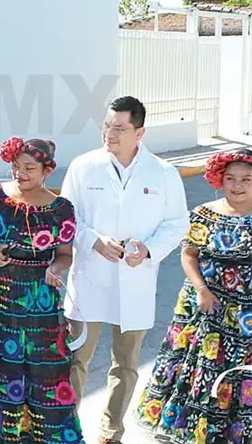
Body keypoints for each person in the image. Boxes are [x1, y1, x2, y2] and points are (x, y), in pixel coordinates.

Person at [62, 95, 189, 444]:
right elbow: (68, 217)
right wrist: (93, 240)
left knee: (126, 364)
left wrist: (149, 249)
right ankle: (65, 428)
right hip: (90, 277)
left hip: (135, 278)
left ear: (140, 132)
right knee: (76, 359)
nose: (110, 134)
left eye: (119, 128)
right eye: (107, 126)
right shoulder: (83, 167)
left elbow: (177, 223)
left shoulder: (162, 173)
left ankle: (110, 432)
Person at [0, 136, 85, 444]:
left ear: (48, 170)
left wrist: (55, 268)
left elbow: (65, 255)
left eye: (29, 168)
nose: (20, 174)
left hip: (37, 299)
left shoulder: (61, 209)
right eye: (16, 167)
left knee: (40, 370)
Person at [136, 148, 252, 443]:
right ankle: (193, 427)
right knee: (200, 366)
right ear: (220, 179)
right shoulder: (204, 214)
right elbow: (188, 255)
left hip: (246, 311)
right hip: (206, 301)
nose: (237, 185)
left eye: (246, 179)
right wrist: (202, 290)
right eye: (231, 178)